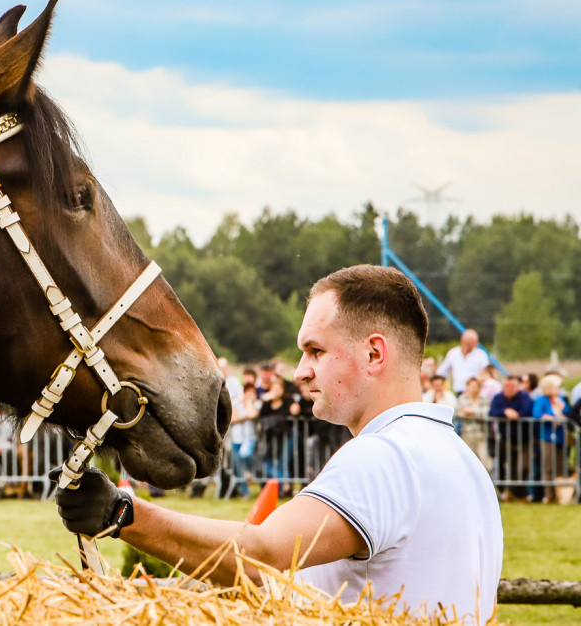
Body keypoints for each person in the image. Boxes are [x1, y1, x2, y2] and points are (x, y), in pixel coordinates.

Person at [53, 265, 502, 624]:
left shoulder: (384, 455)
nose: (300, 372)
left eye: (316, 351)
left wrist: (123, 515)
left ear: (374, 354)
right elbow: (297, 589)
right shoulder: (467, 467)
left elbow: (261, 558)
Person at [488, 375, 533, 501]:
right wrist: (505, 411)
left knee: (522, 467)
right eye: (506, 386)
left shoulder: (524, 397)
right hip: (505, 438)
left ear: (518, 386)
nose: (508, 389)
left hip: (524, 439)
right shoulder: (498, 397)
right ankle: (511, 492)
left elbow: (527, 411)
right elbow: (492, 412)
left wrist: (516, 414)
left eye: (511, 386)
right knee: (507, 465)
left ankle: (518, 492)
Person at [532, 374, 569, 503]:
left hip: (560, 437)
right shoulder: (541, 400)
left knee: (560, 466)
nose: (558, 390)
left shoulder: (561, 399)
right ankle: (548, 494)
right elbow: (536, 414)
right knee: (547, 466)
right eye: (555, 387)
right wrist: (548, 417)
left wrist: (562, 410)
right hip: (547, 437)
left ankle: (560, 494)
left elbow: (568, 414)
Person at [437, 329, 489, 395]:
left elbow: (487, 374)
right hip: (459, 392)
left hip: (476, 393)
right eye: (472, 342)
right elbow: (441, 372)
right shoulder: (453, 353)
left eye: (475, 342)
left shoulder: (481, 355)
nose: (475, 345)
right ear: (464, 341)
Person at [455, 377, 491, 473]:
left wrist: (470, 411)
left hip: (482, 434)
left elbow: (486, 413)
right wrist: (475, 413)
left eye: (475, 386)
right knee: (469, 463)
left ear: (479, 388)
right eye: (471, 386)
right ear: (467, 387)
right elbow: (458, 413)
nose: (473, 389)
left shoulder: (484, 398)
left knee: (485, 463)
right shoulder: (462, 398)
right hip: (467, 434)